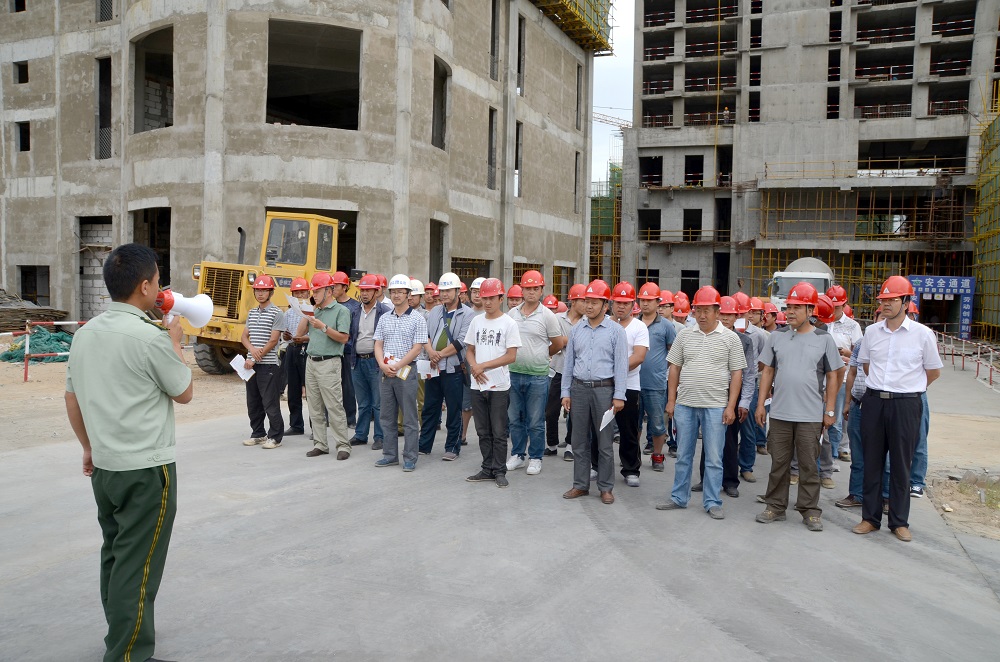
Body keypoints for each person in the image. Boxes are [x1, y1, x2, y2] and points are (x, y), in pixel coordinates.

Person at [65, 243, 193, 662]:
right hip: (146, 470)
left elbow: (72, 398)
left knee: (117, 553)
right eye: (157, 280)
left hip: (106, 467)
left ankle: (120, 632)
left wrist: (88, 447)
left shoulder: (85, 334)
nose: (159, 287)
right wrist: (175, 341)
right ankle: (128, 653)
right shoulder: (150, 337)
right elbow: (184, 391)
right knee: (138, 565)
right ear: (144, 286)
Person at [853, 276, 942, 542]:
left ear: (905, 302)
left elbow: (933, 372)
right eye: (884, 300)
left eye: (892, 300)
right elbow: (866, 365)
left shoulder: (923, 334)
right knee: (872, 461)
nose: (886, 305)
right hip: (874, 401)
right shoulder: (871, 332)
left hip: (906, 404)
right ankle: (870, 518)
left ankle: (899, 521)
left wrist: (908, 389)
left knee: (902, 464)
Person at [754, 282, 843, 532]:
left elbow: (834, 375)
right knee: (779, 463)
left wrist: (830, 410)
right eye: (788, 307)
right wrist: (761, 405)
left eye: (797, 307)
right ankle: (775, 506)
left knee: (808, 464)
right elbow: (768, 371)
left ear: (811, 310)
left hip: (810, 415)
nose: (790, 312)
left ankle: (810, 510)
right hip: (780, 413)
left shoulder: (824, 339)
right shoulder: (777, 336)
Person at [657, 286, 746, 519]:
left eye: (707, 310)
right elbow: (674, 368)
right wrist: (671, 400)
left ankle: (712, 501)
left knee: (714, 458)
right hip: (685, 404)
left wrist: (730, 406)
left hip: (716, 406)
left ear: (717, 311)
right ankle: (679, 497)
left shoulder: (731, 338)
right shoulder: (685, 335)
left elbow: (737, 373)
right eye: (698, 310)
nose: (702, 315)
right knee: (683, 455)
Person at [561, 279, 628, 505]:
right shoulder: (576, 330)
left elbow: (621, 365)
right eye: (586, 301)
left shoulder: (616, 331)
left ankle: (606, 487)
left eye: (594, 302)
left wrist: (619, 395)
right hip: (579, 389)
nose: (589, 306)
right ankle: (580, 484)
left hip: (604, 391)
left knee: (604, 442)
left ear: (605, 305)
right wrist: (565, 392)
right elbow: (569, 363)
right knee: (579, 440)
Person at [505, 270, 566, 475]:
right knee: (515, 418)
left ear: (541, 290)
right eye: (527, 288)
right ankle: (517, 454)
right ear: (522, 290)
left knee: (535, 420)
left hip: (538, 376)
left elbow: (557, 343)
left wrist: (541, 355)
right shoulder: (512, 314)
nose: (531, 292)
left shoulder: (547, 315)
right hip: (514, 373)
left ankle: (536, 457)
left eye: (535, 288)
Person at [464, 278, 522, 487]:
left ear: (501, 298)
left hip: (498, 385)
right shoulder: (476, 321)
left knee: (498, 431)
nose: (487, 302)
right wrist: (475, 367)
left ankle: (499, 470)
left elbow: (511, 356)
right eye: (484, 298)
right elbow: (469, 350)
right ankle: (486, 468)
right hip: (478, 383)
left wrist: (483, 366)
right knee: (482, 430)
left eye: (492, 298)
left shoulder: (509, 323)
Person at [374, 274, 429, 471]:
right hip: (386, 372)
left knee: (409, 417)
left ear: (408, 294)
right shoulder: (384, 318)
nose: (396, 295)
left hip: (407, 371)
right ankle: (390, 455)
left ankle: (410, 457)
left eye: (400, 292)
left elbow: (417, 348)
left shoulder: (417, 318)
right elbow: (378, 344)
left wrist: (397, 366)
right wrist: (382, 365)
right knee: (386, 416)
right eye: (393, 292)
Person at [419, 271, 474, 459]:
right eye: (442, 291)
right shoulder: (435, 311)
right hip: (433, 369)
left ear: (458, 291)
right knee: (429, 409)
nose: (444, 294)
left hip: (454, 370)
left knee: (454, 410)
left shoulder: (468, 314)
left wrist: (439, 354)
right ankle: (424, 445)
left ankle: (452, 448)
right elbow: (425, 335)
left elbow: (462, 341)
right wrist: (431, 352)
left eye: (448, 290)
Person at [298, 272, 352, 459]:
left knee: (334, 405)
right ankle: (320, 444)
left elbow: (344, 338)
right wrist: (308, 312)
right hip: (311, 361)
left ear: (329, 291)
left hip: (329, 362)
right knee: (314, 406)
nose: (314, 294)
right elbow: (299, 333)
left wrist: (323, 327)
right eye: (313, 291)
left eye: (317, 291)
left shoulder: (341, 311)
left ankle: (343, 445)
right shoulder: (316, 310)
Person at [836, 309, 881, 510]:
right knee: (858, 453)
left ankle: (885, 497)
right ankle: (856, 493)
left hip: (881, 405)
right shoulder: (863, 343)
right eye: (880, 317)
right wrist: (848, 402)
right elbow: (852, 373)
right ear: (874, 319)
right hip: (858, 403)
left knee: (884, 454)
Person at [714, 296, 756, 498]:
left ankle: (730, 481)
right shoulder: (709, 336)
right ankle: (706, 478)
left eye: (729, 315)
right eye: (722, 313)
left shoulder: (744, 341)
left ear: (736, 316)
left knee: (730, 440)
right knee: (709, 439)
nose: (725, 318)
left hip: (733, 393)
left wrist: (745, 402)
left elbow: (749, 374)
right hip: (712, 391)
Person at [609, 281, 649, 487]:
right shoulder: (605, 324)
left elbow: (639, 356)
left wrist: (613, 371)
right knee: (599, 428)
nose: (621, 306)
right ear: (611, 303)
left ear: (633, 304)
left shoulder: (639, 327)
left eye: (625, 303)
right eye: (618, 302)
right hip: (604, 384)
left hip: (629, 385)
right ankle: (597, 465)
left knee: (628, 430)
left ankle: (631, 469)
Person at [241, 274, 286, 449]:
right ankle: (258, 433)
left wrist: (254, 357)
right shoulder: (252, 313)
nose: (260, 293)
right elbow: (244, 337)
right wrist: (251, 352)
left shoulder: (277, 313)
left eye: (264, 290)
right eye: (257, 290)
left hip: (268, 365)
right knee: (253, 402)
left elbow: (273, 340)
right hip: (251, 365)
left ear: (271, 292)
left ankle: (275, 437)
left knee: (270, 402)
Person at [637, 283, 676, 472]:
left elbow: (673, 354)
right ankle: (633, 456)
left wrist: (659, 367)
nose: (645, 304)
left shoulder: (666, 326)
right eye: (642, 300)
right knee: (633, 424)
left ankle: (658, 455)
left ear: (658, 302)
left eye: (649, 300)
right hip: (633, 383)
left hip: (655, 384)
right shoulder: (633, 323)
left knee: (658, 424)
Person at [348, 274, 390, 449]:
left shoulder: (384, 311)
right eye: (362, 290)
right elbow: (351, 335)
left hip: (375, 362)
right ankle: (361, 435)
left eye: (368, 290)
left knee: (378, 403)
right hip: (357, 361)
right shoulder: (355, 311)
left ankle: (380, 436)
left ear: (377, 291)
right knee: (363, 402)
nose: (364, 294)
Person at [826, 285, 862, 462]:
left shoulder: (852, 326)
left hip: (842, 377)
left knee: (835, 418)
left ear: (845, 305)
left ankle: (833, 456)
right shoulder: (821, 322)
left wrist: (846, 353)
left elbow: (859, 354)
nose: (833, 310)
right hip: (820, 377)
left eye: (837, 307)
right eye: (830, 306)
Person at [282, 277, 312, 437]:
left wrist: (304, 338)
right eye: (296, 292)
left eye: (302, 292)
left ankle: (316, 426)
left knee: (312, 390)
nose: (299, 295)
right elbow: (284, 335)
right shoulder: (288, 313)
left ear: (308, 293)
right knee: (293, 389)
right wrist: (286, 336)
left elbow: (318, 334)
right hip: (292, 350)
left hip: (308, 350)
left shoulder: (313, 311)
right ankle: (296, 425)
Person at [333, 271, 360, 429]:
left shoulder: (355, 306)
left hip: (348, 351)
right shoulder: (330, 305)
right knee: (331, 386)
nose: (333, 289)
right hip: (332, 351)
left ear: (345, 287)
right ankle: (331, 417)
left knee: (348, 386)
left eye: (336, 286)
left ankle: (350, 418)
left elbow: (356, 331)